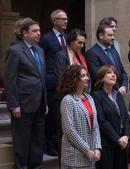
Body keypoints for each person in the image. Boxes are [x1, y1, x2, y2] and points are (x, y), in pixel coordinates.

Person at [4, 17, 47, 169]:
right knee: (22, 141)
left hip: (40, 103)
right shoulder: (14, 51)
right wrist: (14, 104)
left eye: (39, 30)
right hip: (22, 104)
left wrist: (45, 102)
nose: (39, 33)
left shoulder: (40, 50)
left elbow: (41, 78)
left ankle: (36, 166)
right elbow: (10, 80)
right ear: (24, 33)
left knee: (37, 139)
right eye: (35, 31)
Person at [54, 28, 88, 163]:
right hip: (66, 99)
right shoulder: (61, 56)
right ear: (71, 41)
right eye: (79, 43)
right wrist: (74, 95)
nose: (82, 46)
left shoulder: (81, 57)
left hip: (81, 100)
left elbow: (87, 76)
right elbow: (61, 79)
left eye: (83, 43)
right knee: (66, 135)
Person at [57, 65, 101, 168]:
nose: (87, 78)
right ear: (74, 79)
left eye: (87, 75)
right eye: (83, 76)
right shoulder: (68, 100)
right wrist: (86, 150)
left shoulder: (89, 98)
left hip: (91, 156)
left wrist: (97, 148)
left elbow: (95, 126)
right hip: (74, 157)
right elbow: (69, 130)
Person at [39, 9, 68, 156]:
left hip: (65, 84)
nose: (65, 21)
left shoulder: (68, 38)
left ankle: (59, 144)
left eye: (66, 19)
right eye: (62, 19)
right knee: (51, 118)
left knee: (62, 117)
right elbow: (41, 59)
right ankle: (49, 145)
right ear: (54, 20)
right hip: (51, 83)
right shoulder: (46, 38)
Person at [91, 65, 130, 169]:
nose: (113, 75)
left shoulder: (118, 95)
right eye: (109, 73)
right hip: (107, 143)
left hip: (123, 142)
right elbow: (102, 121)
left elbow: (126, 117)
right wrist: (117, 139)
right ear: (101, 78)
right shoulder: (96, 96)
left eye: (114, 73)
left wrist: (126, 135)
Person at [86, 24, 128, 94]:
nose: (113, 38)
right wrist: (116, 88)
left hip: (118, 93)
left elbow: (122, 72)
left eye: (113, 35)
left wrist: (124, 86)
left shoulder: (114, 52)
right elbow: (97, 75)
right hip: (102, 94)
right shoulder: (91, 53)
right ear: (101, 36)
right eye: (110, 35)